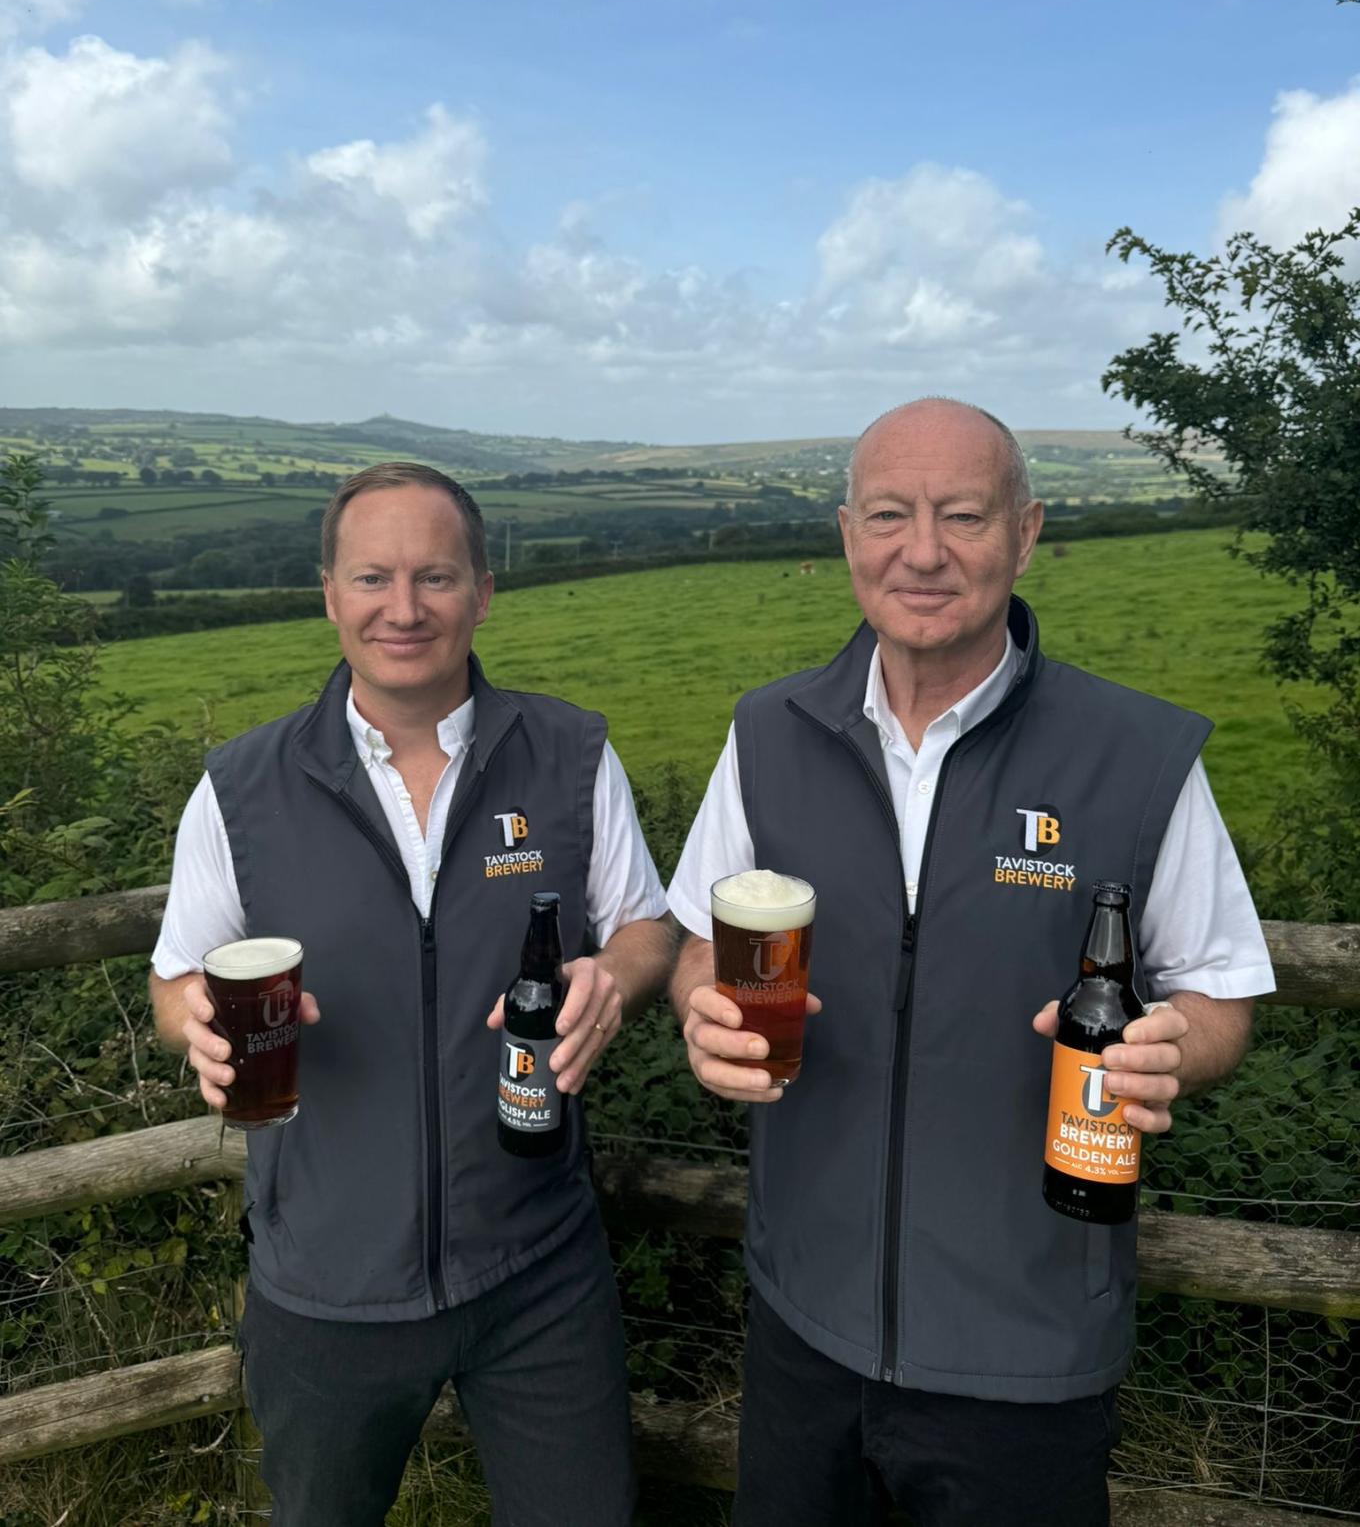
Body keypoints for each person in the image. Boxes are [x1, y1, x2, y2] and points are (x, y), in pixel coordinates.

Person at [668, 398, 1275, 1527]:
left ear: (1026, 530)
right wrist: (700, 1001)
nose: (924, 550)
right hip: (803, 1321)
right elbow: (700, 945)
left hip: (1027, 1349)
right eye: (891, 514)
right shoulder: (766, 732)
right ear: (848, 533)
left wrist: (1165, 1051)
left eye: (963, 514)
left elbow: (1221, 993)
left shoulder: (1136, 754)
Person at [150, 462, 675, 1527]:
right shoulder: (241, 786)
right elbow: (176, 976)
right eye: (373, 577)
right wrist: (197, 1027)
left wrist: (613, 979)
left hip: (538, 1268)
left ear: (483, 590)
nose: (404, 608)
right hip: (322, 1282)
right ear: (329, 593)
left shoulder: (569, 754)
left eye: (435, 576)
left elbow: (648, 926)